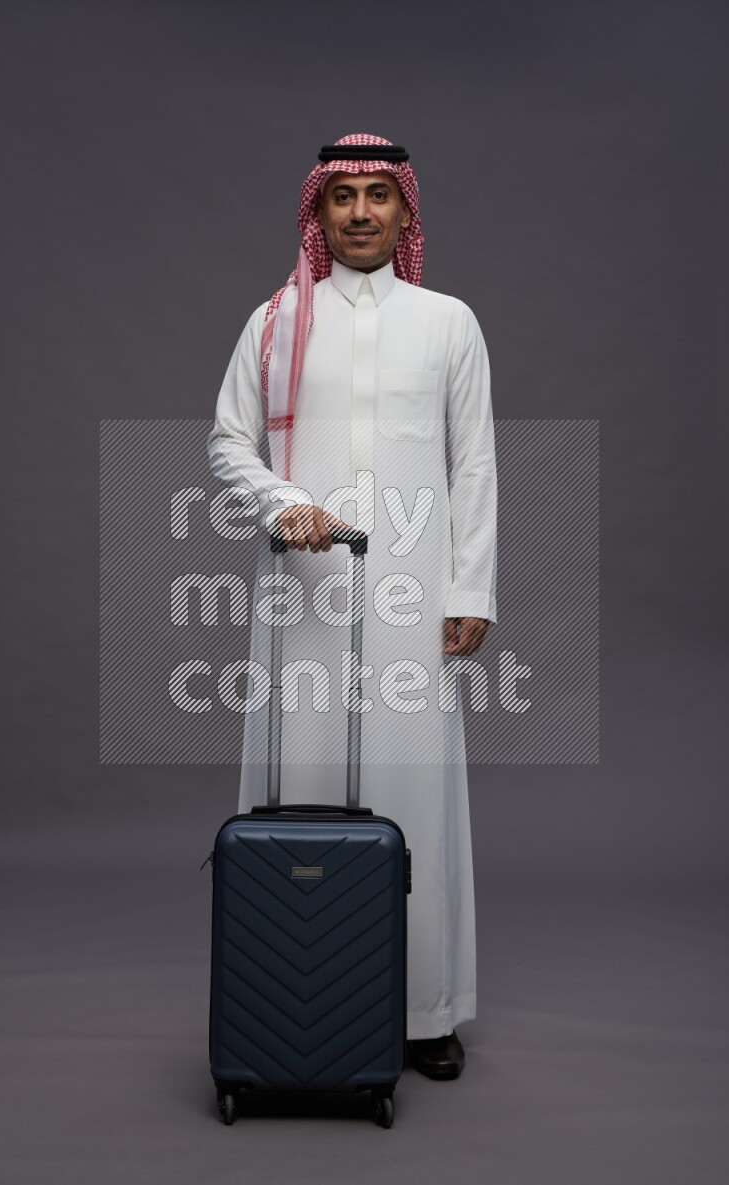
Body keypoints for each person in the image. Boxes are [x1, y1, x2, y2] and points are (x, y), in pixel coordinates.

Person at [206, 133, 497, 1080]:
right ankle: (287, 1000)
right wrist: (282, 501)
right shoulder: (275, 322)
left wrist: (470, 587)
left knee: (418, 798)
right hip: (303, 597)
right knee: (298, 784)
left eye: (379, 195)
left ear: (405, 211)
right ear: (319, 212)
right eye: (344, 196)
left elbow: (474, 463)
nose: (362, 212)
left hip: (415, 595)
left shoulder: (447, 322)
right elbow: (229, 442)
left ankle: (423, 1011)